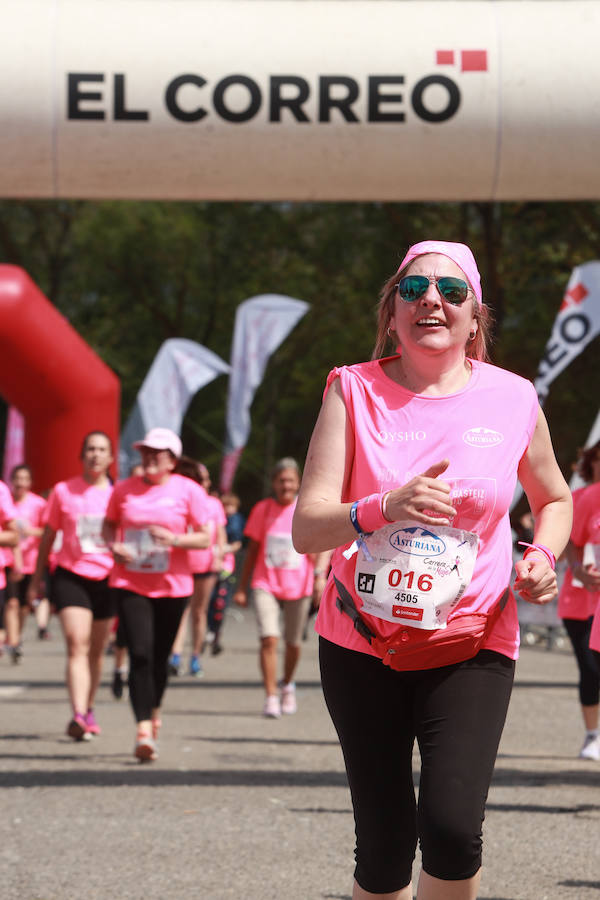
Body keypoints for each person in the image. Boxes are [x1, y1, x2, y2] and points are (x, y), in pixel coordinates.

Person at [292, 240, 572, 900]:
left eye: (451, 291)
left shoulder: (513, 397)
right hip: (362, 642)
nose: (432, 302)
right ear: (392, 314)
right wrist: (382, 507)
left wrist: (542, 555)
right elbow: (308, 528)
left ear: (475, 318)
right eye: (413, 290)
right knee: (385, 846)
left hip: (474, 639)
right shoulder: (352, 389)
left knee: (451, 829)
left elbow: (554, 498)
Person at [101, 428, 211, 762]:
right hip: (130, 582)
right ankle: (143, 729)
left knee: (160, 658)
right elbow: (108, 525)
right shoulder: (123, 489)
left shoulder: (188, 490)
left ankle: (154, 709)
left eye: (157, 453)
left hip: (173, 585)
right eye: (145, 452)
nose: (149, 458)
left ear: (172, 461)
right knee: (140, 652)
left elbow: (205, 538)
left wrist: (174, 540)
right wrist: (113, 546)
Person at [28, 432, 116, 741]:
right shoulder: (63, 491)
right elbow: (48, 537)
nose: (95, 454)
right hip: (70, 574)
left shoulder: (118, 494)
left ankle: (89, 707)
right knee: (76, 642)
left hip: (107, 577)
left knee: (96, 652)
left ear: (111, 458)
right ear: (82, 455)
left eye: (102, 449)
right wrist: (37, 579)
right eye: (90, 449)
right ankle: (78, 714)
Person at [234, 458, 324, 718]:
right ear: (273, 483)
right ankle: (271, 695)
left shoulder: (305, 509)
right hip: (266, 583)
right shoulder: (262, 509)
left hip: (299, 585)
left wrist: (319, 577)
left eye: (291, 480)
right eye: (281, 480)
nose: (286, 485)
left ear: (299, 483)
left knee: (293, 642)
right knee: (269, 638)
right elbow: (252, 551)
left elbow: (319, 546)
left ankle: (287, 684)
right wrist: (241, 588)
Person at [557, 441, 600, 760]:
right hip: (580, 601)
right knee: (590, 669)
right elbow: (569, 541)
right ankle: (592, 736)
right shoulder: (584, 497)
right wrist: (579, 570)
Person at [168, 459, 226, 678]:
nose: (207, 483)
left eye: (208, 479)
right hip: (182, 563)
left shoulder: (214, 504)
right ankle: (175, 655)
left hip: (205, 564)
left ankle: (195, 656)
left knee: (199, 612)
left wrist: (219, 556)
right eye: (203, 479)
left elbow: (220, 534)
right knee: (180, 611)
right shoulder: (179, 499)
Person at [4, 465, 47, 661]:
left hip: (31, 562)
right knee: (11, 602)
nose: (20, 482)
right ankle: (11, 640)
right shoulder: (6, 500)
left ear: (30, 482)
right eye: (17, 478)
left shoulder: (38, 504)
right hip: (9, 560)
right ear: (12, 480)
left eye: (24, 479)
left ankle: (17, 637)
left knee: (23, 605)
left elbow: (48, 531)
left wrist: (31, 531)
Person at [206, 492, 245, 655]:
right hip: (210, 564)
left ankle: (216, 634)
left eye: (231, 506)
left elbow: (237, 543)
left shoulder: (236, 521)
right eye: (225, 505)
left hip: (226, 568)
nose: (228, 509)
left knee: (221, 601)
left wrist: (225, 549)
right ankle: (209, 631)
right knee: (209, 600)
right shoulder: (216, 519)